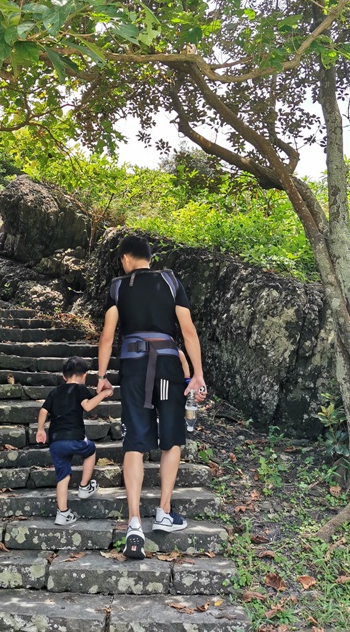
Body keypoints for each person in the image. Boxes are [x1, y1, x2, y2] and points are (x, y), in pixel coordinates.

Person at [97, 235, 207, 560]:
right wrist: (197, 374)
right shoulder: (170, 280)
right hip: (167, 368)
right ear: (149, 257)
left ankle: (134, 523)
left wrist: (102, 377)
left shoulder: (118, 287)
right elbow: (188, 331)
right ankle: (163, 511)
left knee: (134, 441)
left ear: (126, 258)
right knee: (170, 439)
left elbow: (106, 336)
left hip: (133, 368)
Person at [36, 355, 114, 526]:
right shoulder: (80, 389)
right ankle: (84, 486)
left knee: (62, 477)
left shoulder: (55, 392)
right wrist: (105, 394)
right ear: (84, 375)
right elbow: (87, 406)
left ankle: (62, 513)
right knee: (91, 449)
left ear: (64, 376)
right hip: (75, 439)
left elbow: (43, 411)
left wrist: (40, 430)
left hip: (56, 442)